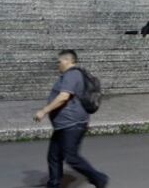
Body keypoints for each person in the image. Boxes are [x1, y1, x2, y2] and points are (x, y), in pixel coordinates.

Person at [34, 50, 109, 188]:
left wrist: (44, 111)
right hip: (64, 125)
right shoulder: (70, 75)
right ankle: (54, 184)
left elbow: (63, 97)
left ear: (68, 61)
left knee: (71, 157)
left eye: (59, 61)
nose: (58, 64)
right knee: (54, 156)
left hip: (72, 124)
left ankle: (99, 178)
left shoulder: (72, 74)